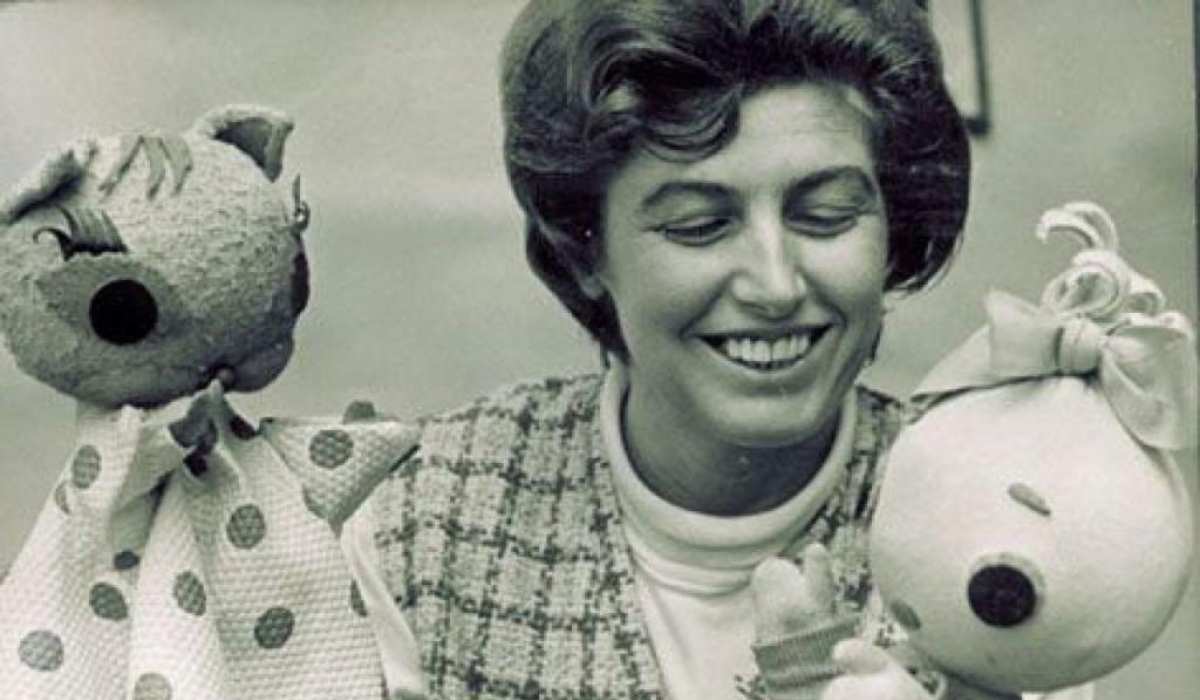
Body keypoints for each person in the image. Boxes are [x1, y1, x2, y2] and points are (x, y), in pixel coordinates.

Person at [341, 1, 1090, 698]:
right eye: (699, 225)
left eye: (826, 214)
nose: (775, 285)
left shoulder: (1003, 530)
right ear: (583, 249)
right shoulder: (418, 518)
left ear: (893, 226)